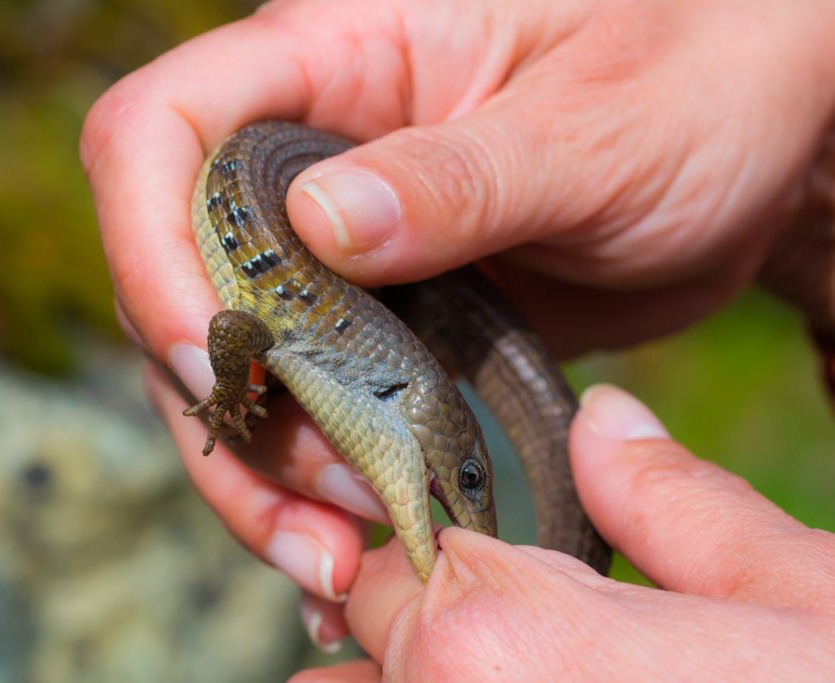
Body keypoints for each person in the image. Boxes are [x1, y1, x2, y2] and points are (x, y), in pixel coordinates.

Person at [80, 0, 835, 679]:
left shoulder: (344, 339)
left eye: (471, 482)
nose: (474, 511)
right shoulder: (307, 320)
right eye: (469, 485)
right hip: (274, 191)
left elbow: (234, 329)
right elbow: (229, 328)